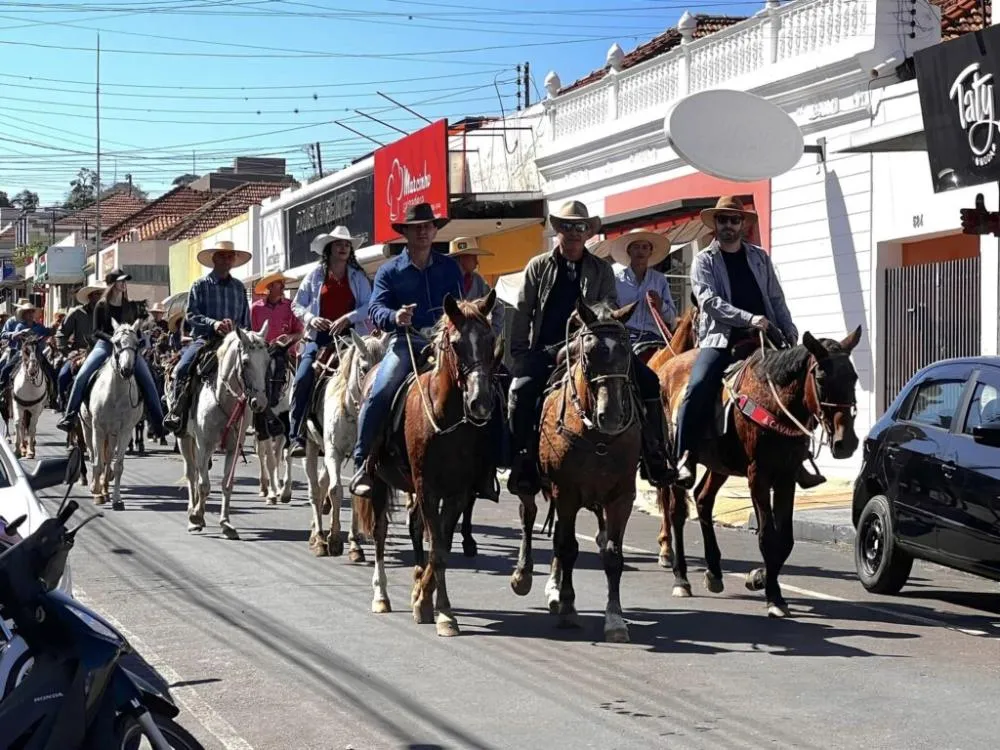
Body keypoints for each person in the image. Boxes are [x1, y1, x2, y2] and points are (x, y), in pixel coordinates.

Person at [507, 200, 675, 496]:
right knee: (521, 390)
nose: (574, 233)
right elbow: (523, 311)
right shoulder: (539, 267)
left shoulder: (600, 269)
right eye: (568, 227)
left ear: (588, 234)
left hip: (594, 345)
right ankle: (522, 458)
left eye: (580, 227)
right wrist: (520, 353)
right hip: (548, 349)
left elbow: (610, 305)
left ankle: (654, 453)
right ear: (558, 230)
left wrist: (592, 317)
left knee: (649, 381)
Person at [676, 195, 824, 489]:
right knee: (698, 385)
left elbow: (776, 298)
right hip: (722, 339)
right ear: (715, 224)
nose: (729, 225)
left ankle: (801, 456)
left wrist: (788, 329)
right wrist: (748, 318)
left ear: (742, 224)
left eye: (734, 219)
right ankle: (684, 456)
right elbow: (709, 301)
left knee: (800, 384)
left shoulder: (759, 257)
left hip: (765, 337)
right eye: (723, 220)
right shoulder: (704, 260)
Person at [349, 202, 489, 499]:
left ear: (434, 230)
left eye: (428, 226)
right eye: (417, 228)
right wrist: (395, 317)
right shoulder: (389, 271)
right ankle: (363, 461)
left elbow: (459, 307)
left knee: (487, 385)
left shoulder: (449, 267)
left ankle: (487, 467)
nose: (423, 232)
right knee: (381, 390)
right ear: (407, 233)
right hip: (405, 342)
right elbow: (375, 309)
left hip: (444, 344)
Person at [287, 226, 372, 457]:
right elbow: (297, 304)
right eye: (339, 244)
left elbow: (369, 305)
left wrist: (348, 317)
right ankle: (297, 435)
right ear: (329, 249)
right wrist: (311, 319)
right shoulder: (315, 275)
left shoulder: (358, 276)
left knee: (370, 373)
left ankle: (372, 433)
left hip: (351, 337)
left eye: (347, 244)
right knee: (304, 376)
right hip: (320, 337)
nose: (344, 247)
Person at [56, 270, 166, 438]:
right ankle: (70, 416)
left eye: (125, 281)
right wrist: (113, 338)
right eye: (121, 281)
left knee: (149, 379)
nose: (124, 284)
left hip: (127, 347)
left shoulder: (131, 306)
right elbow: (96, 331)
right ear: (113, 284)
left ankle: (158, 423)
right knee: (82, 375)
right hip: (104, 345)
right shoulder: (102, 305)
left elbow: (137, 329)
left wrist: (138, 339)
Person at [162, 240, 252, 435]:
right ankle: (178, 413)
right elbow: (192, 315)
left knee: (258, 369)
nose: (227, 259)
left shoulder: (239, 288)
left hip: (235, 342)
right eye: (222, 256)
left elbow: (246, 320)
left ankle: (262, 416)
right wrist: (214, 324)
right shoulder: (200, 285)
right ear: (214, 259)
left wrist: (243, 334)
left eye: (230, 256)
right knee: (183, 368)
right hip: (206, 340)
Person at [251, 271, 305, 440]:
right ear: (269, 287)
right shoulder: (255, 308)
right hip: (263, 353)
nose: (282, 286)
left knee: (303, 379)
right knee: (251, 380)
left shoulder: (291, 306)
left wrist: (289, 338)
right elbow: (251, 334)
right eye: (277, 283)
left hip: (286, 351)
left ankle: (302, 423)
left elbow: (300, 332)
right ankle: (254, 417)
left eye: (282, 283)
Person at [609, 229, 677, 347]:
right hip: (625, 338)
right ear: (629, 251)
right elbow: (609, 314)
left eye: (645, 247)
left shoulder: (660, 280)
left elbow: (672, 319)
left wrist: (660, 304)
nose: (640, 251)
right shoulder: (616, 281)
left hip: (654, 339)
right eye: (636, 247)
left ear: (650, 252)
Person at [54, 284, 102, 411]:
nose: (100, 297)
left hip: (104, 351)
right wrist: (67, 351)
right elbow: (61, 334)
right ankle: (65, 407)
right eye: (97, 294)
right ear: (90, 297)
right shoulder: (77, 313)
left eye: (101, 294)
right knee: (63, 376)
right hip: (80, 353)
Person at [449, 237, 505, 338]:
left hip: (474, 340)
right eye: (474, 257)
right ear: (462, 258)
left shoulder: (478, 280)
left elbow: (498, 307)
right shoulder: (443, 280)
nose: (477, 262)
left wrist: (493, 334)